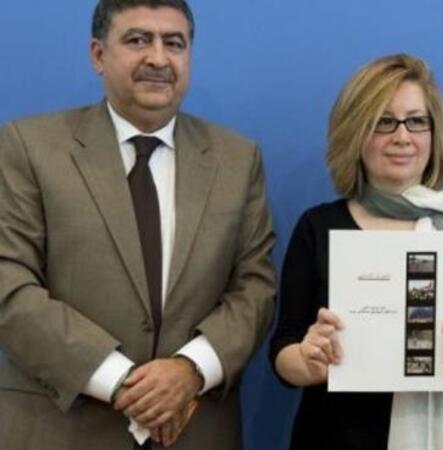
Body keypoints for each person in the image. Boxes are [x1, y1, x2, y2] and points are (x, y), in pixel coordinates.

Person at [0, 1, 276, 448]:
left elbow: (255, 288)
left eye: (174, 43)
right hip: (61, 428)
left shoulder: (238, 159)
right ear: (98, 54)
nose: (158, 58)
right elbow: (8, 282)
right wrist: (121, 381)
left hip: (195, 429)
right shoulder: (28, 147)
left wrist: (190, 370)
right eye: (137, 40)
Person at [269, 54, 443, 450]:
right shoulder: (318, 226)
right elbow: (283, 349)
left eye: (416, 121)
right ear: (355, 132)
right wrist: (309, 360)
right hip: (335, 437)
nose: (402, 136)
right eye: (384, 122)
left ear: (433, 133)